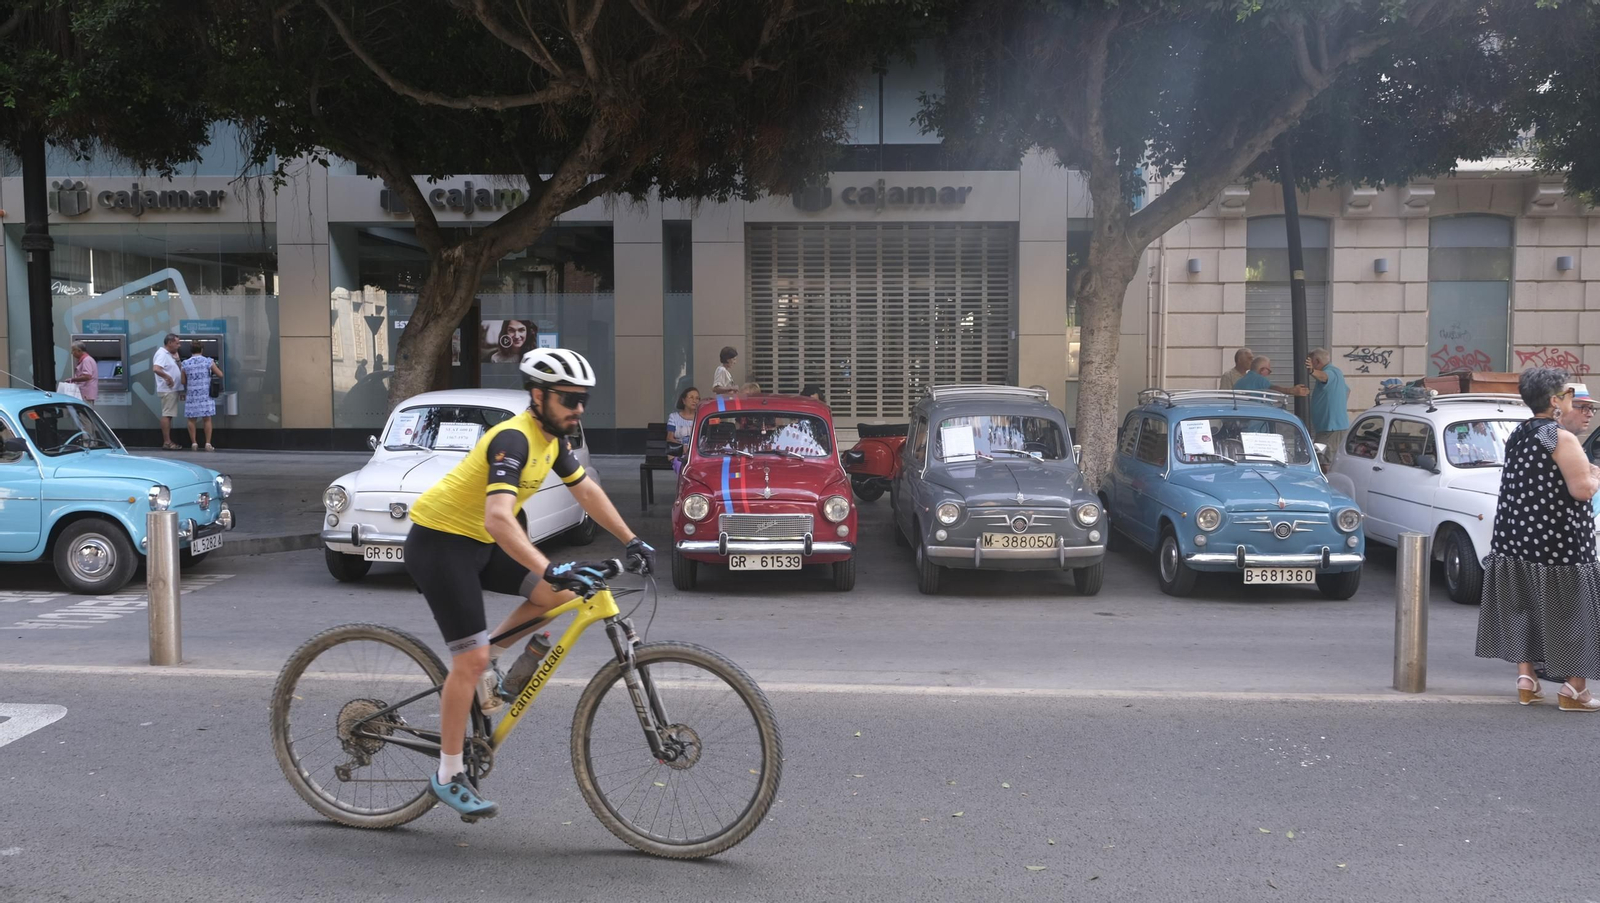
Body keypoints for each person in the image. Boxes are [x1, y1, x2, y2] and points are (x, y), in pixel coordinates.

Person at [403, 347, 656, 818]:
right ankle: (448, 773)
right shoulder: (513, 440)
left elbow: (585, 490)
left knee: (556, 596)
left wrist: (632, 538)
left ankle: (488, 671)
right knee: (470, 657)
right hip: (440, 544)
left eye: (583, 399)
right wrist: (548, 565)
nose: (578, 408)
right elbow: (500, 517)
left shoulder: (553, 440)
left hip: (477, 541)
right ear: (538, 396)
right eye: (568, 399)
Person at [1475, 367, 1600, 712]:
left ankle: (1527, 681)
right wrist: (1595, 473)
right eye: (1570, 396)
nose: (1574, 402)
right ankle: (1575, 690)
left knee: (1523, 607)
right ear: (1555, 401)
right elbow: (1581, 489)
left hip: (1518, 539)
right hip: (1561, 543)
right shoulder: (1559, 437)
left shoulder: (1520, 433)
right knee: (1572, 613)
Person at [1305, 348, 1350, 454]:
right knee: (1321, 458)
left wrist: (1312, 371)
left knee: (1323, 461)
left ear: (1317, 361)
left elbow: (1324, 377)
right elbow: (1347, 390)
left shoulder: (1331, 372)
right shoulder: (1337, 372)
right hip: (1329, 428)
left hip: (1330, 430)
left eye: (1310, 362)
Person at [180, 343, 223, 451]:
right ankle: (208, 443)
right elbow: (220, 374)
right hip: (205, 395)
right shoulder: (208, 361)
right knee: (207, 419)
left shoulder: (185, 363)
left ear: (190, 350)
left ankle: (194, 443)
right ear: (202, 350)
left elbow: (183, 381)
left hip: (192, 395)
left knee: (191, 420)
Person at [152, 333, 185, 449]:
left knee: (169, 415)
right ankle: (167, 442)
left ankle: (167, 441)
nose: (179, 346)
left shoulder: (169, 354)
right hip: (168, 389)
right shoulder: (162, 354)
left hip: (172, 389)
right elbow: (156, 369)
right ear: (170, 343)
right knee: (167, 415)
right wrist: (168, 377)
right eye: (177, 343)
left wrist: (177, 360)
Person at [1232, 356, 1308, 397]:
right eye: (1269, 371)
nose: (1269, 374)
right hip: (1256, 424)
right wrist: (1290, 391)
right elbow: (1272, 388)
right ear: (1262, 370)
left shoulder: (1239, 382)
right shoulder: (1260, 380)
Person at [667, 386, 699, 473]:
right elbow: (670, 438)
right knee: (682, 467)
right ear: (684, 400)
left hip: (696, 454)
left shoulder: (700, 417)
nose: (694, 400)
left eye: (697, 398)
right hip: (679, 454)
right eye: (691, 397)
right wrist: (683, 447)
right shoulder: (674, 417)